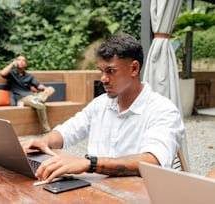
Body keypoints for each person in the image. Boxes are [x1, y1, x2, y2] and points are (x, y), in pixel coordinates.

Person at [22, 33, 185, 183]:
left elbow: (152, 161)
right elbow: (67, 131)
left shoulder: (163, 110)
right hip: (97, 190)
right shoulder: (100, 104)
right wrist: (43, 142)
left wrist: (89, 164)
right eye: (101, 71)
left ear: (134, 68)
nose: (103, 79)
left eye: (111, 71)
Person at [1, 55, 55, 133]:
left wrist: (45, 88)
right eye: (19, 60)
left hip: (33, 96)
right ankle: (47, 131)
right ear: (16, 61)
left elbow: (38, 85)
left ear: (25, 64)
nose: (21, 61)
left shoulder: (29, 76)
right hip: (23, 97)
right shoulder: (12, 74)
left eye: (23, 60)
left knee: (51, 89)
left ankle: (38, 100)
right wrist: (12, 64)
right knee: (41, 106)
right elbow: (3, 73)